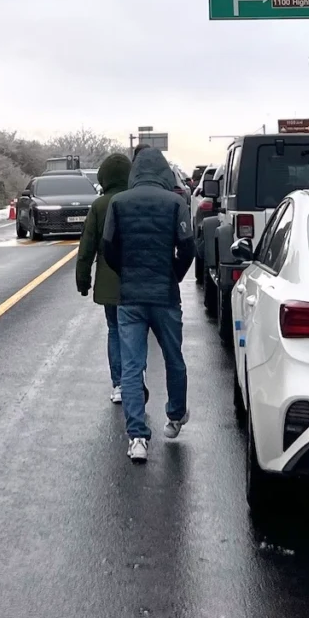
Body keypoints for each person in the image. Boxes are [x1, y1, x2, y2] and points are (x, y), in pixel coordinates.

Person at [103, 147, 195, 463]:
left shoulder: (118, 203)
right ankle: (175, 414)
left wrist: (126, 272)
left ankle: (137, 437)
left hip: (130, 298)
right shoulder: (176, 203)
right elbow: (188, 248)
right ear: (164, 173)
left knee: (131, 366)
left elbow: (108, 248)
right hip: (165, 296)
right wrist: (174, 276)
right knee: (173, 357)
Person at [76, 153, 149, 406]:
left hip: (109, 280)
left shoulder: (99, 205)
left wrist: (83, 280)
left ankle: (119, 384)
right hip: (139, 278)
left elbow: (86, 248)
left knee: (115, 330)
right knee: (138, 330)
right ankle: (137, 377)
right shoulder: (138, 200)